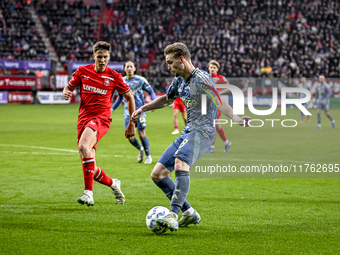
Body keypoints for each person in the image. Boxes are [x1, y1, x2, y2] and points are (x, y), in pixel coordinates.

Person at [132, 42, 250, 233]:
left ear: (182, 59)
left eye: (170, 62)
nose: (168, 67)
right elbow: (167, 99)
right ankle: (189, 212)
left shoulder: (202, 79)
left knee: (180, 163)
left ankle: (173, 214)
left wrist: (237, 119)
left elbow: (219, 103)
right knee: (158, 174)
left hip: (203, 131)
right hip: (189, 130)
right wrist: (143, 108)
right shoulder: (179, 80)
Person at [63, 41, 136, 206]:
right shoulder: (83, 71)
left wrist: (132, 123)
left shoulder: (114, 76)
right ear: (94, 56)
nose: (102, 60)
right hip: (83, 118)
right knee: (89, 162)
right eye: (99, 57)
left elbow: (130, 97)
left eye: (105, 57)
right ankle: (113, 184)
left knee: (83, 146)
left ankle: (88, 193)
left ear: (109, 57)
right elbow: (68, 88)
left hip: (101, 118)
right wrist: (66, 92)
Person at [112, 61, 156, 164]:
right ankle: (140, 149)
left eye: (131, 67)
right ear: (124, 69)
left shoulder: (141, 80)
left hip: (140, 111)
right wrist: (112, 109)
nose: (129, 68)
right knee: (130, 136)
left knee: (141, 134)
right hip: (128, 113)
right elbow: (120, 97)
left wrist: (153, 103)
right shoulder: (121, 81)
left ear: (135, 68)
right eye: (127, 67)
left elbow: (151, 92)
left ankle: (148, 156)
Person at [206, 60, 232, 153]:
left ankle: (212, 146)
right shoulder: (206, 77)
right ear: (208, 68)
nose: (212, 69)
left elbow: (228, 87)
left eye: (214, 67)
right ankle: (226, 142)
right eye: (211, 67)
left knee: (213, 124)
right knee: (216, 125)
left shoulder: (221, 78)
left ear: (217, 69)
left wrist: (220, 92)